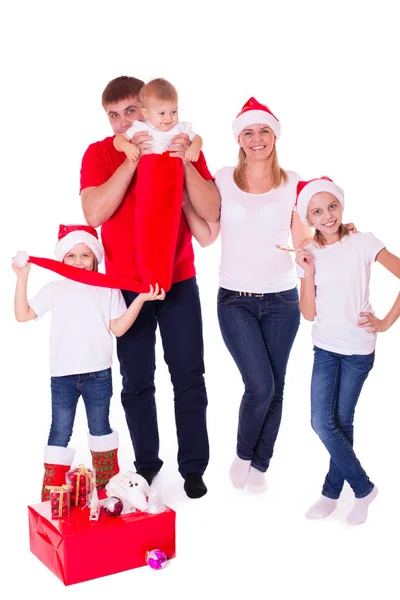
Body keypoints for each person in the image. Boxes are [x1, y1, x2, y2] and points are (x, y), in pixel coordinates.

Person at [80, 76, 220, 499]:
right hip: (126, 286)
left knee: (189, 376)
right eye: (114, 115)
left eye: (131, 111)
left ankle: (194, 468)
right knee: (136, 381)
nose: (124, 122)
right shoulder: (101, 153)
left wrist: (185, 165)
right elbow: (93, 213)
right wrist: (132, 161)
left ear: (148, 107)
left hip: (177, 277)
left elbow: (212, 212)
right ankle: (146, 466)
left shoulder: (181, 141)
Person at [185, 97, 310, 494]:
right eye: (249, 132)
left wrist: (318, 258)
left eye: (264, 131)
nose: (257, 139)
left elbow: (302, 241)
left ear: (275, 136)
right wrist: (185, 205)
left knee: (276, 385)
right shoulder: (223, 177)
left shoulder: (292, 182)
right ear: (239, 139)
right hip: (235, 300)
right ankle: (242, 454)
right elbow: (207, 236)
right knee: (260, 385)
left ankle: (260, 463)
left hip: (283, 301)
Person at [12, 224, 165, 500]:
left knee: (100, 429)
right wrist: (23, 277)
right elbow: (22, 315)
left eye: (85, 255)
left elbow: (117, 328)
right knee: (59, 430)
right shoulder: (53, 289)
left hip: (98, 376)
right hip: (62, 377)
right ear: (61, 259)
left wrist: (141, 298)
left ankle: (107, 491)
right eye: (71, 255)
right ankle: (51, 494)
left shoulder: (106, 290)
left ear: (95, 259)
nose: (78, 261)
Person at [295, 176, 400, 525]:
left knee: (338, 422)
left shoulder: (363, 242)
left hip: (358, 351)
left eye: (332, 207)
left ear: (341, 207)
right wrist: (308, 271)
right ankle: (360, 489)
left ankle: (333, 493)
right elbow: (308, 313)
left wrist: (384, 322)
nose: (327, 216)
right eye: (317, 211)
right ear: (308, 218)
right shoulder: (307, 254)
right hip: (325, 348)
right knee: (323, 422)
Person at [114, 78, 202, 162]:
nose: (169, 118)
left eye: (174, 112)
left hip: (174, 172)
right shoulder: (141, 128)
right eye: (162, 113)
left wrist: (194, 147)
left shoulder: (180, 127)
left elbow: (197, 139)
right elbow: (119, 139)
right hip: (148, 172)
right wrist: (126, 146)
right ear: (146, 113)